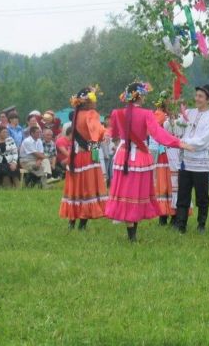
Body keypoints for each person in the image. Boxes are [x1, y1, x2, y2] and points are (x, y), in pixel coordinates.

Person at [104, 82, 192, 242]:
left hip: (123, 155)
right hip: (139, 157)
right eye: (144, 94)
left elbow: (115, 133)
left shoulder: (117, 113)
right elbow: (157, 133)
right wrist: (178, 142)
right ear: (140, 95)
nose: (145, 97)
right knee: (136, 192)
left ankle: (130, 230)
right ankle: (132, 233)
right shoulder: (146, 114)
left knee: (125, 192)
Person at [59, 86, 110, 231]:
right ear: (87, 102)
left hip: (75, 157)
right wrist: (96, 154)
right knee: (87, 189)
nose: (95, 102)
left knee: (76, 190)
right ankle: (82, 225)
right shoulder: (91, 114)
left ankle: (71, 223)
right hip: (88, 157)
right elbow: (96, 136)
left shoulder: (76, 115)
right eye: (94, 98)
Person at [174, 84, 209, 234]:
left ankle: (201, 224)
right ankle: (181, 224)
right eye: (197, 95)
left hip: (200, 162)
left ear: (208, 100)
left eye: (200, 96)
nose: (197, 99)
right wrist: (178, 116)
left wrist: (185, 142)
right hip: (186, 161)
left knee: (202, 195)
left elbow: (203, 140)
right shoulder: (189, 112)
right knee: (183, 193)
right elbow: (178, 130)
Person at [152, 90, 175, 225]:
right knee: (163, 183)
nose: (171, 102)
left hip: (175, 153)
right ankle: (163, 214)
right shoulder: (159, 114)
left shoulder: (176, 114)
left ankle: (174, 213)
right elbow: (154, 130)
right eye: (169, 99)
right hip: (163, 153)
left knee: (174, 183)